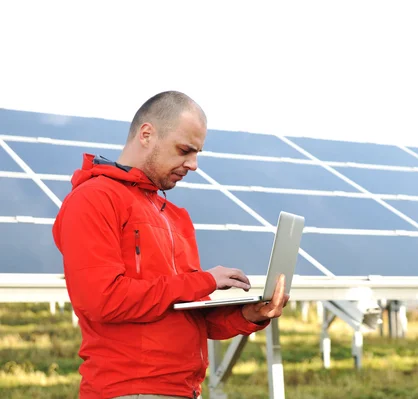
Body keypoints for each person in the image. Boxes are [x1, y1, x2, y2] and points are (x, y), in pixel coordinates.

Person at [52, 91, 289, 399]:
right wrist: (203, 280)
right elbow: (102, 300)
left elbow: (184, 315)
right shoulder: (94, 199)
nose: (193, 165)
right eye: (184, 150)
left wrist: (250, 315)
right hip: (130, 389)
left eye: (197, 153)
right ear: (147, 134)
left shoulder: (173, 215)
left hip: (183, 390)